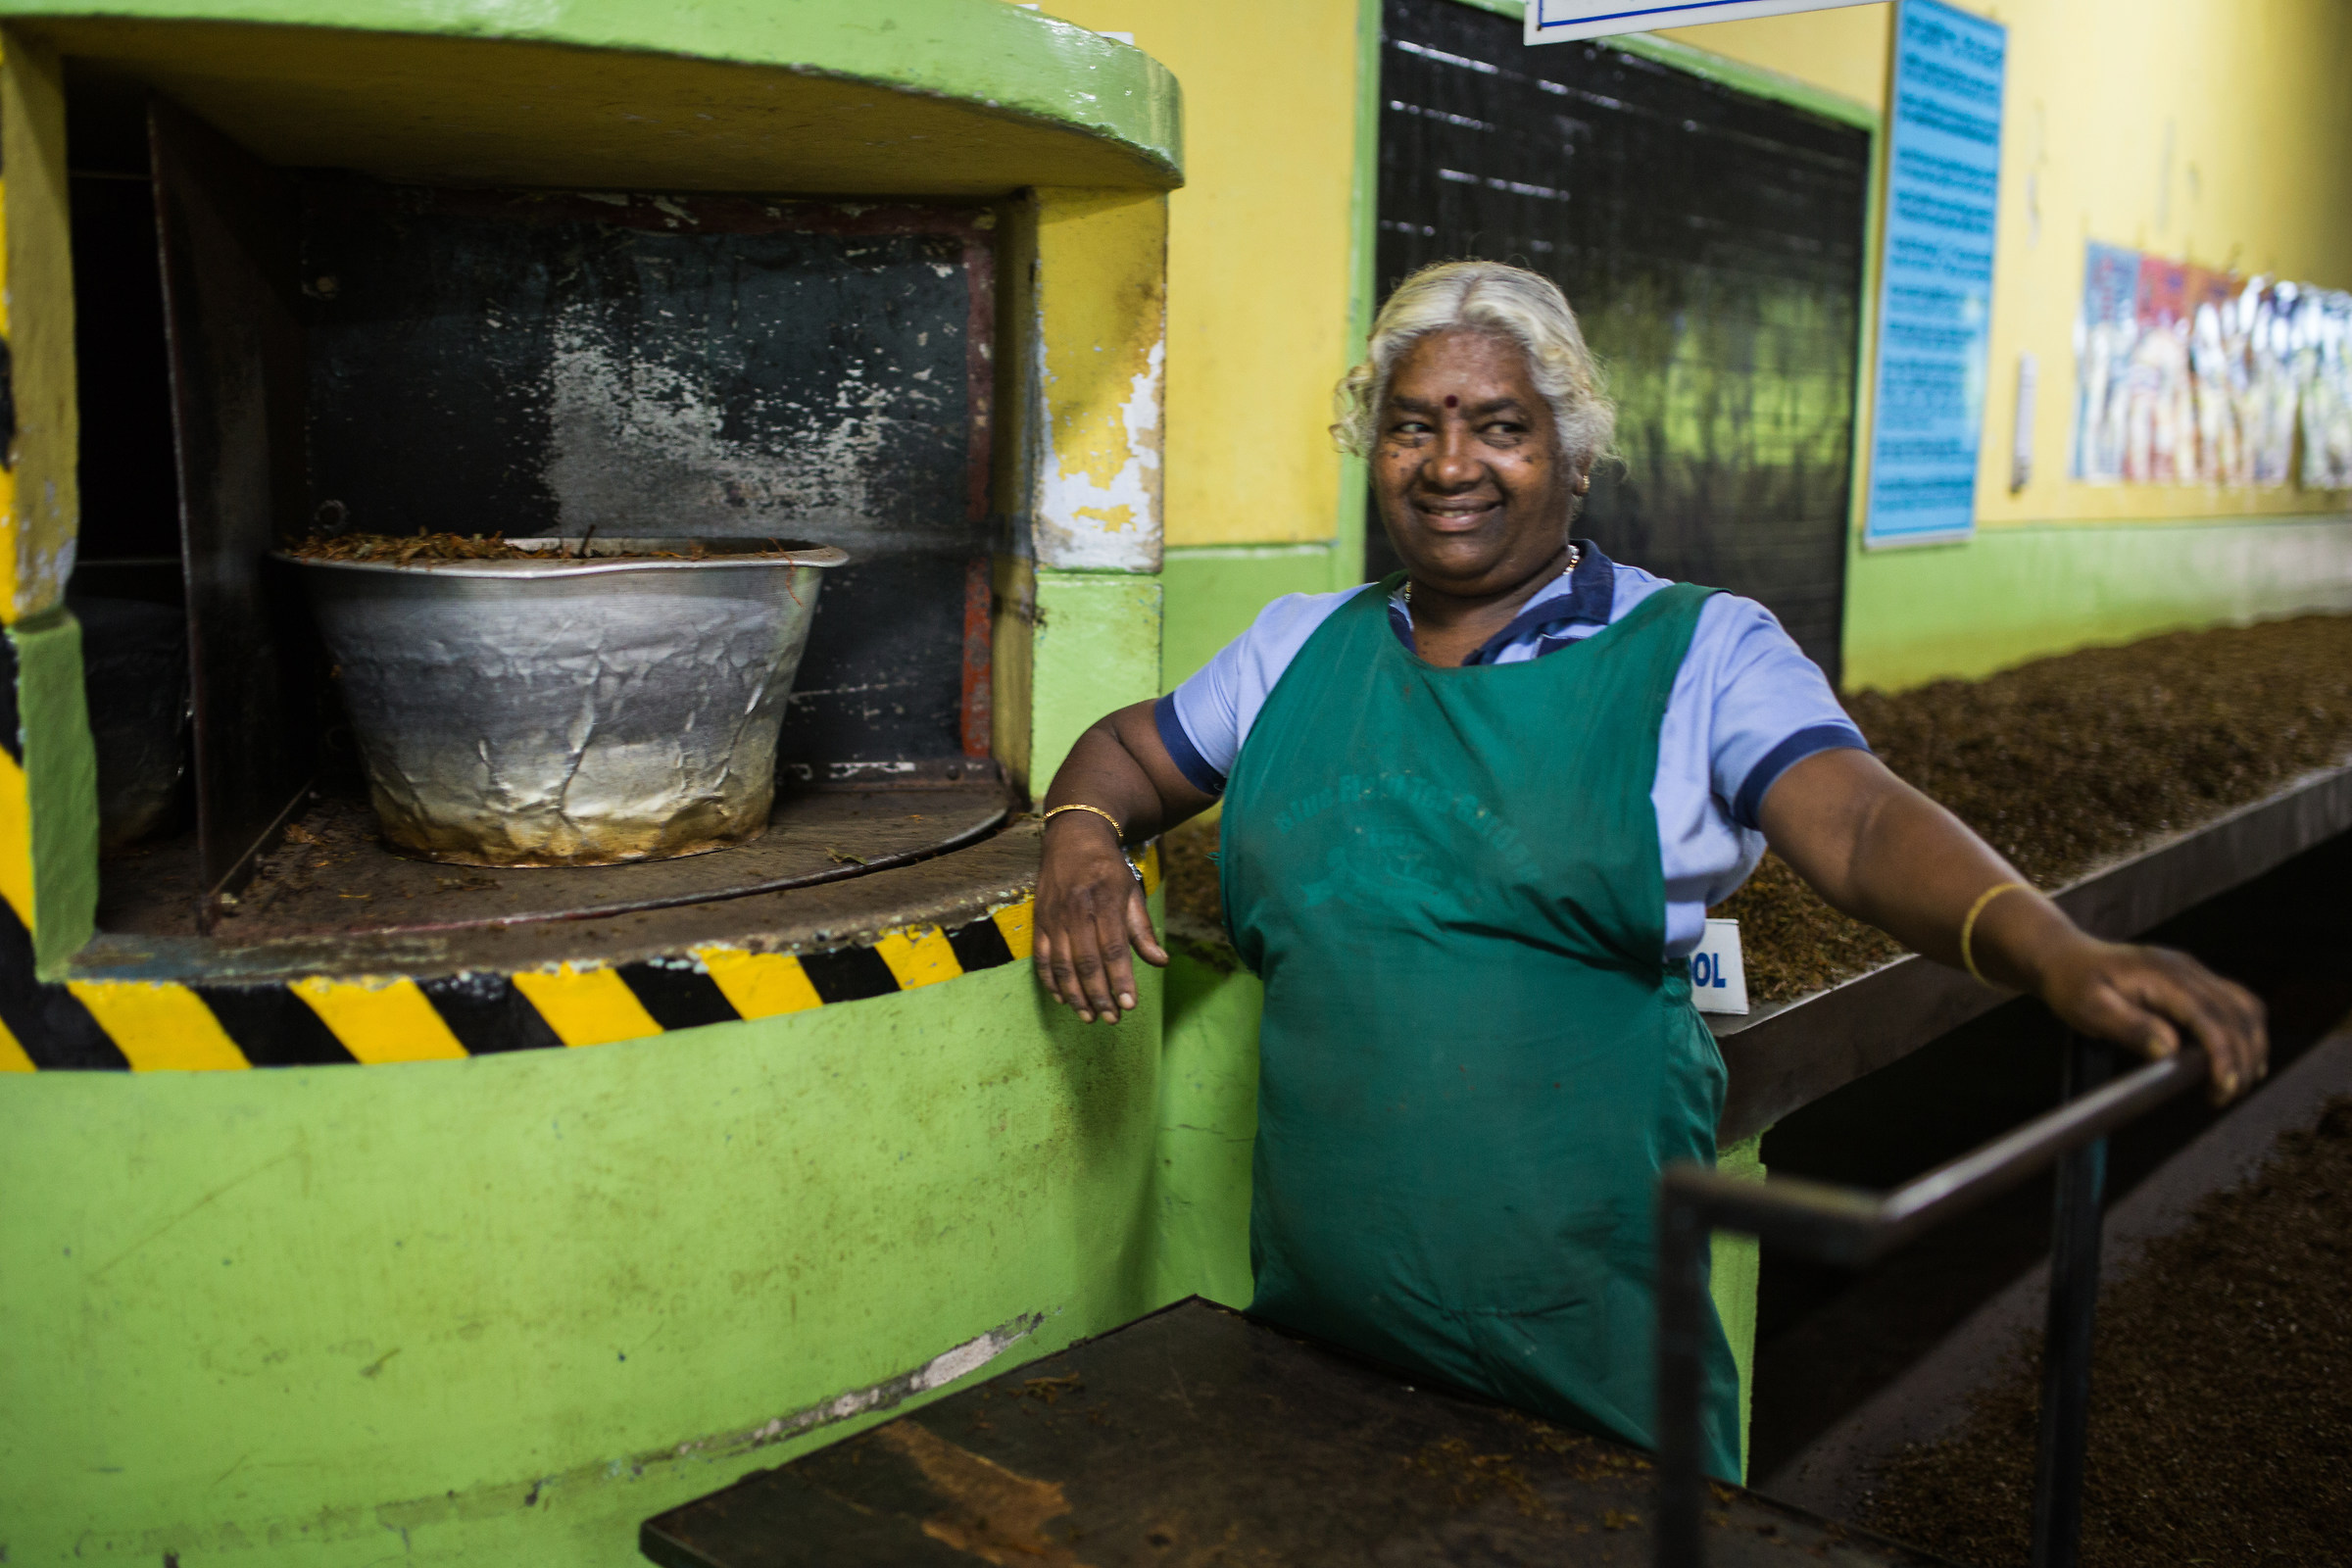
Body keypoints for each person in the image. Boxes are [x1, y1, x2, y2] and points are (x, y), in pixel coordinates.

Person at [1028, 261, 2267, 1481]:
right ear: (1373, 447)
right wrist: (1084, 832)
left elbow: (1863, 826)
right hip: (1324, 1326)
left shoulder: (1702, 652)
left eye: (1500, 428)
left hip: (1585, 1339)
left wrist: (2054, 948)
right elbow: (1135, 750)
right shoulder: (1296, 647)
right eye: (1412, 428)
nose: (1450, 465)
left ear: (1575, 450)